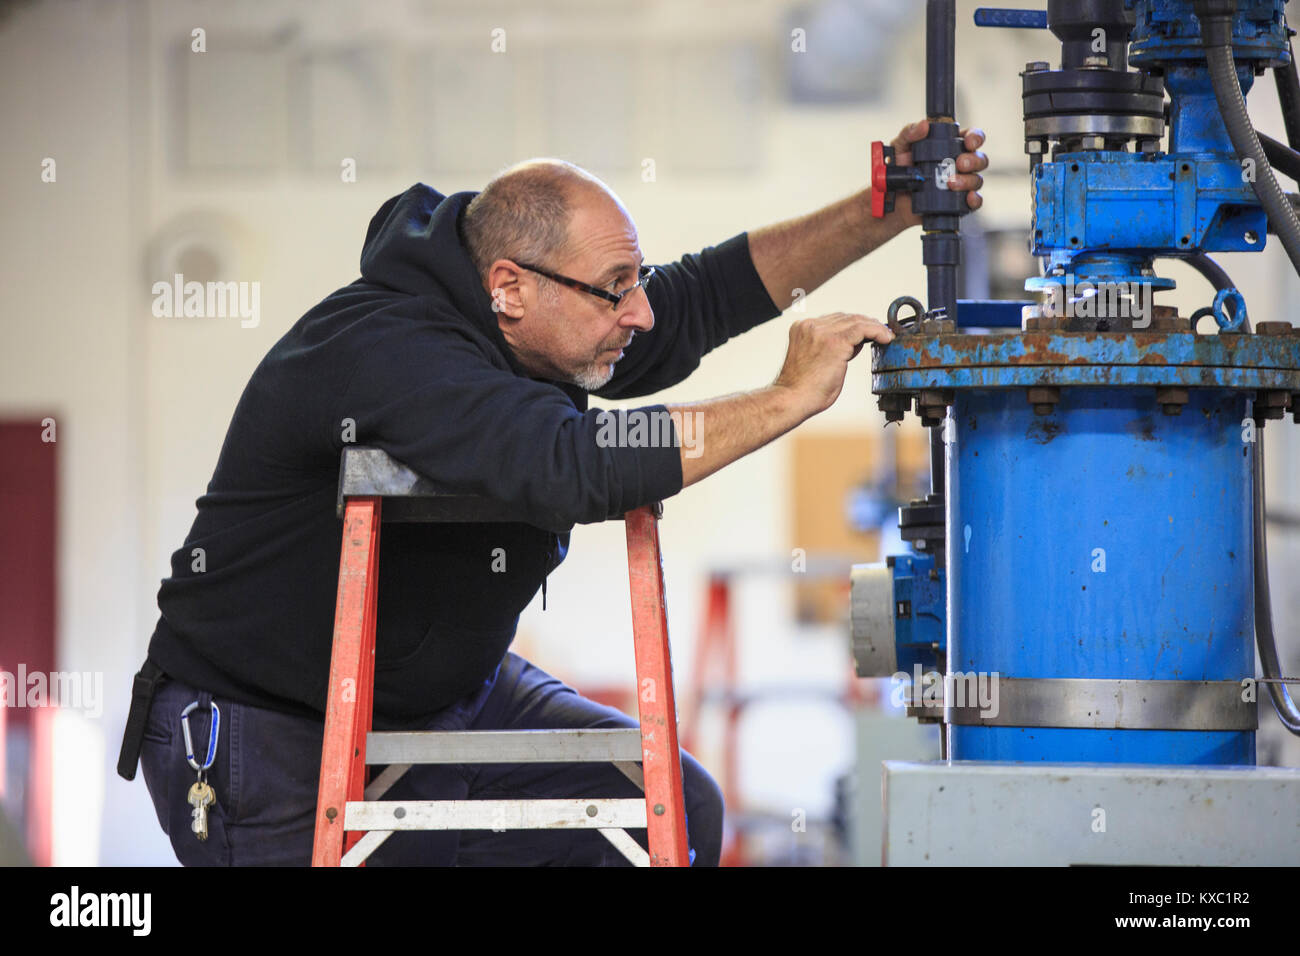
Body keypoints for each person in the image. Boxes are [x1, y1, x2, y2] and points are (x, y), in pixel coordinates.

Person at [117, 119, 988, 866]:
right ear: (509, 288)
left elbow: (695, 301)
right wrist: (786, 397)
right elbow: (573, 464)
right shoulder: (393, 352)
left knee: (671, 811)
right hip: (262, 735)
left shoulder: (539, 323)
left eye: (632, 281)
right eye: (615, 290)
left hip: (443, 695)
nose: (637, 312)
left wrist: (886, 208)